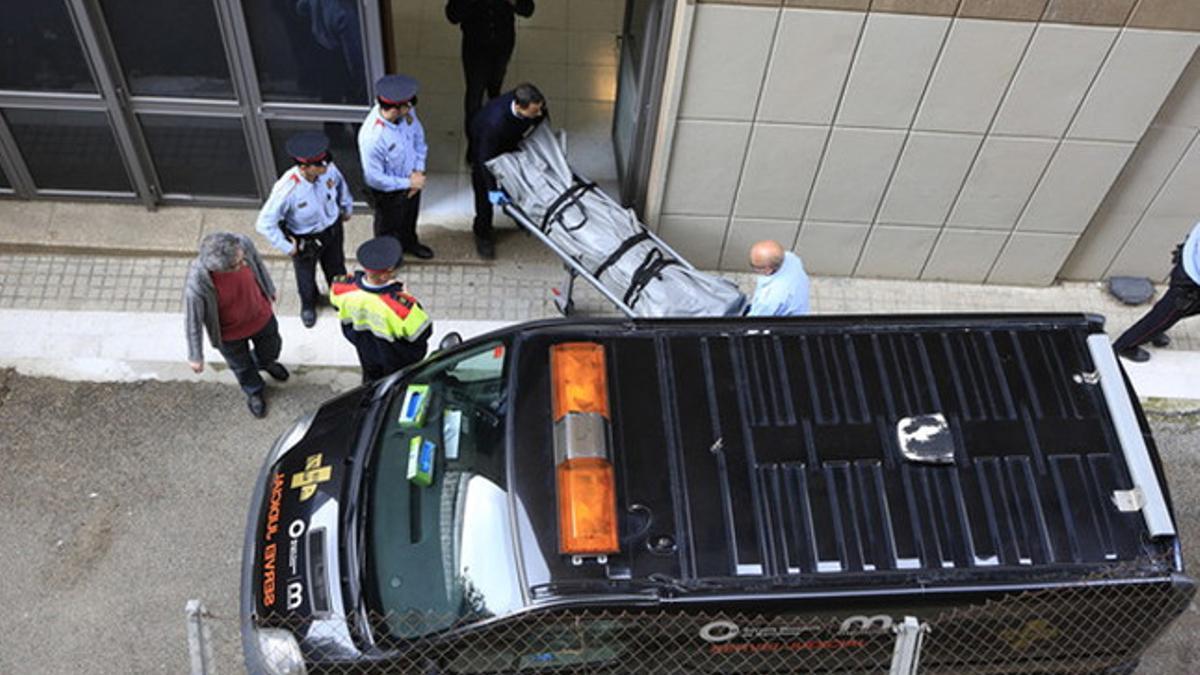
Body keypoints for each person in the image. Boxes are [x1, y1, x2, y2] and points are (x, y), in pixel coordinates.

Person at [185, 232, 290, 418]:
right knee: (241, 367)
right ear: (220, 269)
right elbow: (193, 319)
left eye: (242, 259)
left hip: (261, 315)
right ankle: (254, 391)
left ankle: (265, 362)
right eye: (237, 265)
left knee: (272, 347)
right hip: (229, 333)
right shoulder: (198, 283)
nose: (243, 264)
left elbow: (258, 263)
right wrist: (195, 355)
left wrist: (269, 288)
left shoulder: (243, 244)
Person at [256, 132, 352, 328]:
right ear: (304, 167)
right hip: (305, 238)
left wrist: (346, 207)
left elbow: (341, 186)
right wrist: (287, 247)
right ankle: (308, 305)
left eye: (325, 162)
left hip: (332, 230)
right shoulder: (287, 188)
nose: (325, 166)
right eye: (319, 165)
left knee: (337, 269)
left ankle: (340, 299)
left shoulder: (328, 170)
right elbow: (264, 223)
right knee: (306, 277)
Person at [330, 237, 433, 383]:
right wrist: (404, 296)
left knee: (370, 381)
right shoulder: (403, 308)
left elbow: (337, 307)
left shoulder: (341, 287)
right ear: (385, 275)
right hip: (396, 358)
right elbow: (423, 333)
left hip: (364, 350)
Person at [358, 74, 434, 260]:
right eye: (407, 105)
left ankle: (409, 243)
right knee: (388, 227)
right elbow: (374, 177)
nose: (411, 108)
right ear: (394, 109)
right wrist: (408, 183)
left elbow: (419, 141)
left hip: (412, 180)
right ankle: (389, 257)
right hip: (389, 192)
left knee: (409, 218)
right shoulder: (373, 137)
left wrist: (418, 171)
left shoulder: (407, 112)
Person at [467, 82, 546, 258]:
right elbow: (484, 159)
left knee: (517, 182)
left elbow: (542, 118)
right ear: (518, 106)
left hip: (509, 140)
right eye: (534, 112)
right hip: (485, 147)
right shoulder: (493, 123)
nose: (538, 114)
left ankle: (518, 214)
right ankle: (482, 232)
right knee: (483, 194)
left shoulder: (533, 103)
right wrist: (492, 189)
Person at [1112, 221, 1200, 362]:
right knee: (1164, 315)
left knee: (1174, 312)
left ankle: (1156, 330)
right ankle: (1124, 346)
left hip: (1192, 259)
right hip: (1191, 279)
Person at [445, 0, 535, 135]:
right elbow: (452, 15)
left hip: (502, 45)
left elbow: (528, 9)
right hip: (475, 48)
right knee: (475, 94)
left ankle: (494, 116)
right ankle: (474, 140)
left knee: (496, 81)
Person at [747, 240, 810, 317]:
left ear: (768, 270)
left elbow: (755, 321)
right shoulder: (791, 258)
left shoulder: (769, 299)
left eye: (754, 266)